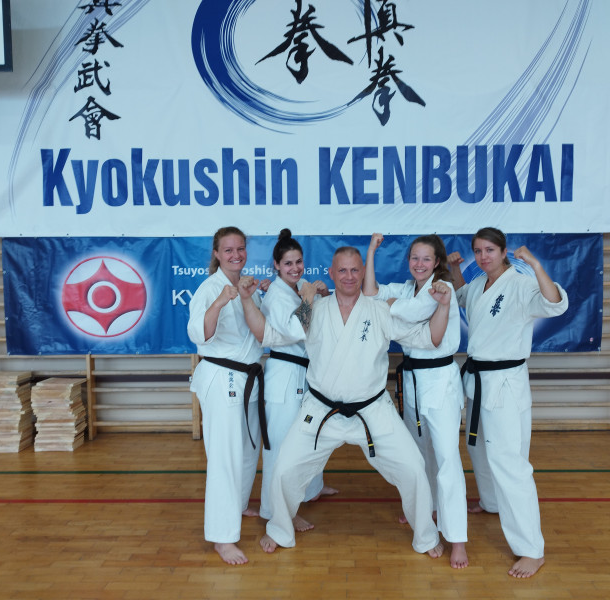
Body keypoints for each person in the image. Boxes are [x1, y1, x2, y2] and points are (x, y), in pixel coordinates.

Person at [238, 246, 453, 558]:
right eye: (342, 270)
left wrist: (443, 306)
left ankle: (426, 536)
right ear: (331, 273)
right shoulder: (313, 309)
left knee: (413, 468)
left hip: (372, 410)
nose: (349, 276)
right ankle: (280, 529)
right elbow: (267, 335)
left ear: (363, 272)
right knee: (284, 469)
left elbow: (429, 338)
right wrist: (247, 300)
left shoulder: (380, 311)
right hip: (321, 409)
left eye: (355, 270)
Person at [448, 227, 568, 579]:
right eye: (478, 251)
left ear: (504, 252)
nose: (483, 256)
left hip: (504, 383)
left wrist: (536, 265)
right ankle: (491, 502)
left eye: (490, 250)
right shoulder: (478, 284)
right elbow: (461, 297)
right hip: (478, 380)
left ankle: (531, 549)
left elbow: (555, 304)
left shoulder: (521, 283)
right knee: (478, 449)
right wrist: (454, 268)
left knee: (510, 464)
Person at [364, 233, 468, 569]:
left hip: (439, 381)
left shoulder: (442, 288)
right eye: (414, 258)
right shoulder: (407, 288)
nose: (419, 264)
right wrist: (371, 251)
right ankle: (427, 512)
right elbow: (370, 293)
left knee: (447, 459)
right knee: (420, 455)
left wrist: (390, 307)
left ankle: (457, 539)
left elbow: (409, 313)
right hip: (411, 380)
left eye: (425, 258)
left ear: (437, 262)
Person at [186, 226, 266, 566]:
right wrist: (220, 301)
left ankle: (239, 504)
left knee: (248, 450)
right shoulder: (209, 289)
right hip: (222, 379)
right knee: (224, 458)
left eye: (240, 249)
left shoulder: (246, 286)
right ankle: (222, 537)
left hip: (248, 377)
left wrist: (255, 293)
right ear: (217, 254)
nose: (236, 255)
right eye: (228, 250)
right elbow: (199, 334)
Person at [259, 229, 338, 530]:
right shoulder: (277, 294)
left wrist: (322, 295)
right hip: (284, 373)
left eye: (299, 262)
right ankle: (278, 512)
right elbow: (297, 329)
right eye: (288, 263)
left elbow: (324, 321)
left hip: (306, 373)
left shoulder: (297, 288)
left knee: (309, 436)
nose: (295, 268)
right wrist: (308, 297)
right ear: (277, 266)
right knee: (281, 446)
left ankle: (312, 488)